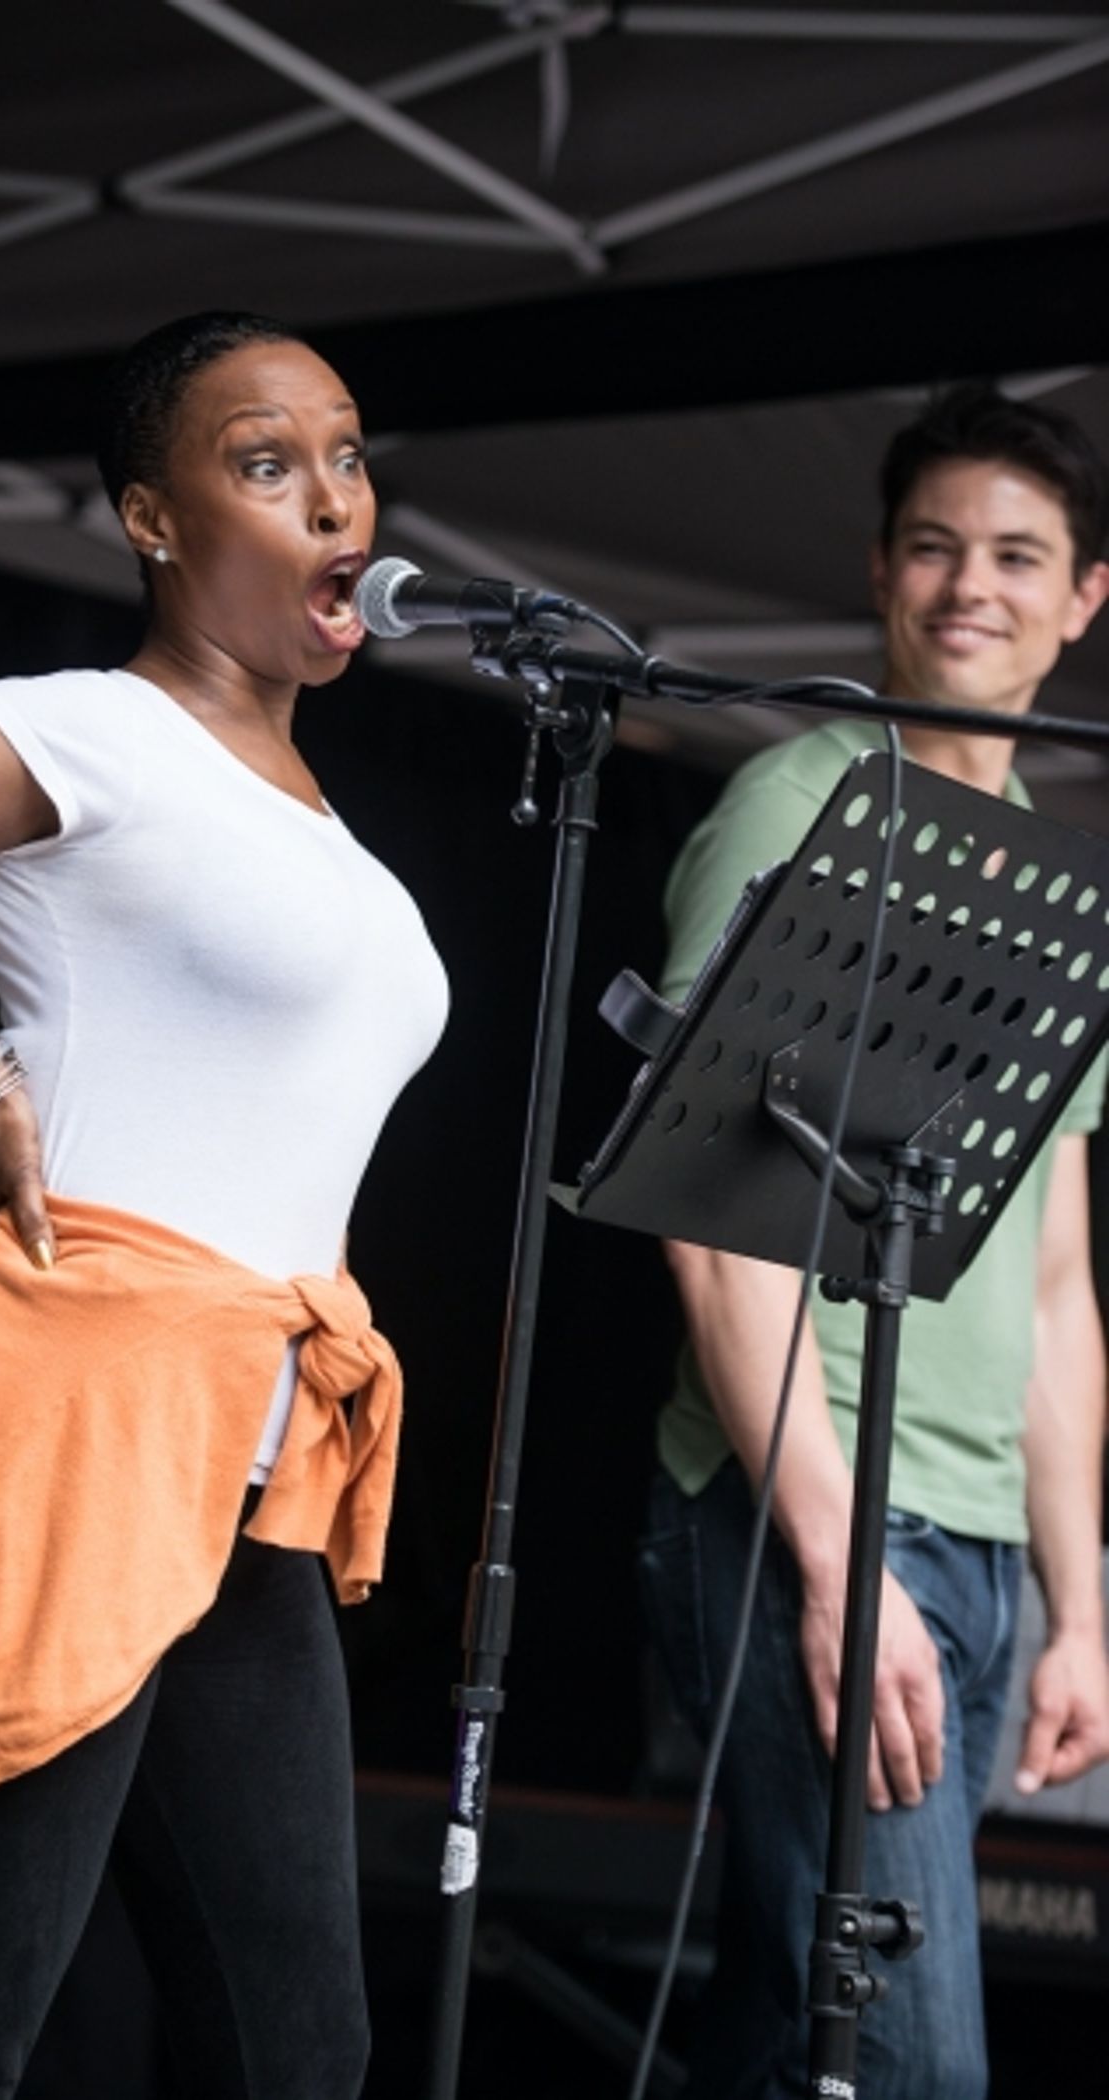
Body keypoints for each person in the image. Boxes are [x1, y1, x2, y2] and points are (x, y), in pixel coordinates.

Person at [0, 310, 449, 2099]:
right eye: (264, 465)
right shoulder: (91, 735)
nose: (331, 501)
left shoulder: (334, 837)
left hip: (252, 1476)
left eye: (345, 458)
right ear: (153, 521)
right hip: (75, 1420)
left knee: (303, 2052)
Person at [638, 384, 1109, 2098]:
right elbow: (708, 1220)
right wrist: (840, 1566)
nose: (968, 586)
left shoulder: (1061, 888)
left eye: (1015, 555)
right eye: (933, 547)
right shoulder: (807, 797)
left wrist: (1083, 1604)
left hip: (980, 1546)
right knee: (911, 2068)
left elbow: (1053, 1282)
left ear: (1084, 598)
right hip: (820, 1512)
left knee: (795, 2035)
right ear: (880, 576)